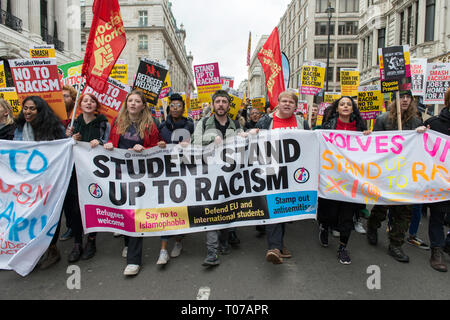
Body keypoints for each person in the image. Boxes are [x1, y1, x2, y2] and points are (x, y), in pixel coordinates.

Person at [104, 90, 165, 276]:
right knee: (124, 212)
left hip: (141, 176)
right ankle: (127, 243)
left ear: (143, 105)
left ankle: (133, 259)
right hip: (120, 174)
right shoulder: (117, 121)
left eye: (137, 101)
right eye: (130, 100)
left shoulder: (151, 125)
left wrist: (145, 148)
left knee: (136, 213)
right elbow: (110, 142)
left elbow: (155, 149)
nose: (133, 103)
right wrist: (108, 145)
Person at [251, 90, 310, 264]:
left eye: (291, 102)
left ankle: (279, 244)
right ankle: (274, 247)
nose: (287, 104)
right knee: (275, 205)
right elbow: (255, 142)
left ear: (295, 105)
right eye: (284, 101)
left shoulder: (301, 122)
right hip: (271, 171)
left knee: (286, 206)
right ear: (278, 102)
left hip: (293, 172)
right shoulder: (266, 120)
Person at [366, 90, 423, 263]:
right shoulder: (383, 120)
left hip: (407, 173)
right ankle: (373, 226)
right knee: (383, 205)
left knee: (405, 211)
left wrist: (421, 133)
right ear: (395, 100)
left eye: (408, 97)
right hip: (388, 172)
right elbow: (376, 145)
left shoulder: (415, 121)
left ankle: (396, 244)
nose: (405, 100)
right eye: (402, 97)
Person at [317, 96, 371, 264]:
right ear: (337, 108)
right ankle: (324, 226)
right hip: (332, 176)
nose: (346, 106)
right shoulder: (328, 126)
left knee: (347, 215)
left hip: (352, 179)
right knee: (330, 212)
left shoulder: (361, 127)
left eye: (349, 104)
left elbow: (369, 149)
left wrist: (368, 137)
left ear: (352, 108)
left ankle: (343, 247)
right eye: (342, 104)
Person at [14, 96, 66, 269]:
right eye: (25, 108)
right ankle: (35, 250)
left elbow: (60, 150)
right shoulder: (21, 128)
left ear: (40, 111)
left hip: (49, 179)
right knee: (32, 214)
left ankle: (51, 249)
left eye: (32, 109)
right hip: (28, 180)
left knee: (48, 213)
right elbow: (15, 149)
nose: (27, 112)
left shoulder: (54, 127)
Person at [191, 90, 241, 267]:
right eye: (218, 101)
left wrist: (245, 136)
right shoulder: (204, 122)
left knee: (227, 208)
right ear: (213, 105)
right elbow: (195, 143)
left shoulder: (235, 124)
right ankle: (212, 252)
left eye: (224, 102)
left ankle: (224, 241)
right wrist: (214, 139)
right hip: (209, 174)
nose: (221, 104)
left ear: (229, 105)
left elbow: (244, 146)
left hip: (230, 174)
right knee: (212, 210)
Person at [65, 93, 110, 262]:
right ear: (81, 104)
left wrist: (99, 142)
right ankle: (77, 243)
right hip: (75, 172)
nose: (88, 103)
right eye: (85, 101)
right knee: (75, 208)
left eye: (92, 101)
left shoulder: (103, 123)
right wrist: (69, 138)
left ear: (96, 105)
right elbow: (65, 147)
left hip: (94, 174)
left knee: (92, 206)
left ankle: (91, 240)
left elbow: (107, 142)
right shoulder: (74, 124)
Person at [156, 93, 194, 265]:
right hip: (165, 171)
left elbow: (198, 145)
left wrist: (190, 144)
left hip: (184, 170)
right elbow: (153, 144)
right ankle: (163, 249)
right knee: (166, 208)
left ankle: (178, 241)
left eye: (179, 106)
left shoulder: (190, 125)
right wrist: (159, 145)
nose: (175, 109)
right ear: (168, 107)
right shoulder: (162, 126)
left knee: (180, 207)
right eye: (173, 106)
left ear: (183, 108)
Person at [423, 87, 450, 272]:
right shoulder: (435, 124)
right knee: (438, 216)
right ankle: (437, 250)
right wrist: (420, 134)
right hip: (440, 181)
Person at [59, 85, 78, 242]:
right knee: (65, 199)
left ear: (73, 99)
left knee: (74, 197)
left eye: (66, 96)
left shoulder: (76, 117)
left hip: (76, 165)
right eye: (61, 96)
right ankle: (71, 225)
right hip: (60, 165)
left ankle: (76, 226)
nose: (63, 99)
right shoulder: (54, 118)